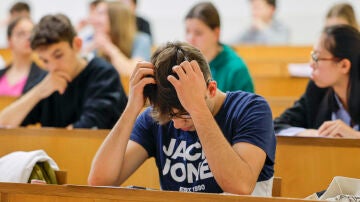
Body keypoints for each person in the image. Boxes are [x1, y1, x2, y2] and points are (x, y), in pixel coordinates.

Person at [88, 41, 276, 196]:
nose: (177, 124)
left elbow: (240, 186)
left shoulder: (251, 109)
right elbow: (99, 181)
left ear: (210, 89)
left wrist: (197, 109)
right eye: (170, 116)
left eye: (185, 115)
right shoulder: (156, 117)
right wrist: (131, 108)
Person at [0, 14, 128, 129]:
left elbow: (87, 130)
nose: (53, 67)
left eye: (58, 55)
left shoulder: (103, 75)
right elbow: (4, 124)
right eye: (44, 60)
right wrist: (38, 92)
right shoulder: (47, 81)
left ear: (77, 44)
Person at [274, 25, 360, 138]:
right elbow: (277, 126)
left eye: (317, 58)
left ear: (344, 65)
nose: (311, 64)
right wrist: (314, 134)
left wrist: (355, 136)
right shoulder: (317, 90)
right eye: (312, 56)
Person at [185, 2, 254, 92]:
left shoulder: (236, 69)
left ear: (216, 33)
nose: (190, 39)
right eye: (187, 31)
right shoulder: (184, 64)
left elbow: (246, 105)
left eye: (198, 33)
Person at [87, 1, 151, 77]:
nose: (93, 19)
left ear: (115, 18)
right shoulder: (97, 43)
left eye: (100, 14)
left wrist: (108, 47)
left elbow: (133, 72)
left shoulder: (142, 39)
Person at [0, 16, 46, 96]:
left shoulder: (44, 77)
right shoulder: (1, 74)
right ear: (9, 40)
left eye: (32, 34)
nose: (28, 38)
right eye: (21, 33)